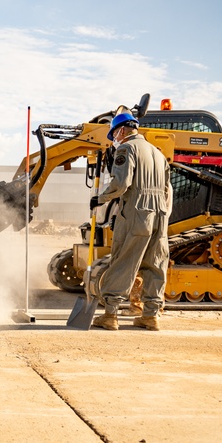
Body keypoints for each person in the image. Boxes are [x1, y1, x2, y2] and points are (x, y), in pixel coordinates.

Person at [89, 110, 172, 331]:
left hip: (136, 213)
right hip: (160, 216)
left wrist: (100, 198)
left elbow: (122, 183)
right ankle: (151, 315)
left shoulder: (127, 149)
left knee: (124, 261)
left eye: (114, 134)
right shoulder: (158, 154)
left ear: (123, 130)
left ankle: (110, 315)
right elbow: (166, 189)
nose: (114, 139)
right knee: (155, 264)